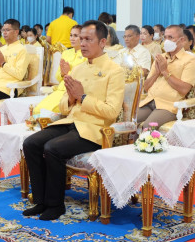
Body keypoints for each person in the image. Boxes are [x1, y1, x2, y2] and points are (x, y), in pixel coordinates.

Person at [22, 20, 125, 221]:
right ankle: (41, 201)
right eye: (81, 38)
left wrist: (83, 98)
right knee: (31, 143)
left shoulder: (115, 71)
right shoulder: (77, 68)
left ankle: (55, 204)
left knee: (52, 148)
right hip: (70, 122)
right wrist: (71, 98)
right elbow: (63, 105)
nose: (83, 43)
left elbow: (112, 112)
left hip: (94, 130)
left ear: (102, 42)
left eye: (88, 39)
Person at [137, 25, 195, 129]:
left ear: (181, 40)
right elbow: (146, 87)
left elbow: (184, 89)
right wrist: (156, 73)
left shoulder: (189, 60)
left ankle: (140, 145)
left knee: (148, 126)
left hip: (168, 105)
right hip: (150, 101)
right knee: (128, 120)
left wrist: (165, 71)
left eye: (171, 38)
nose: (166, 41)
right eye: (165, 37)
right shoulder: (161, 58)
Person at [34, 25, 86, 115]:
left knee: (47, 113)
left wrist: (68, 72)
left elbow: (83, 78)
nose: (72, 38)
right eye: (71, 35)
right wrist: (62, 73)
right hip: (60, 89)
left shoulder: (86, 55)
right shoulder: (66, 53)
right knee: (37, 110)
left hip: (73, 92)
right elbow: (58, 77)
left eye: (75, 36)